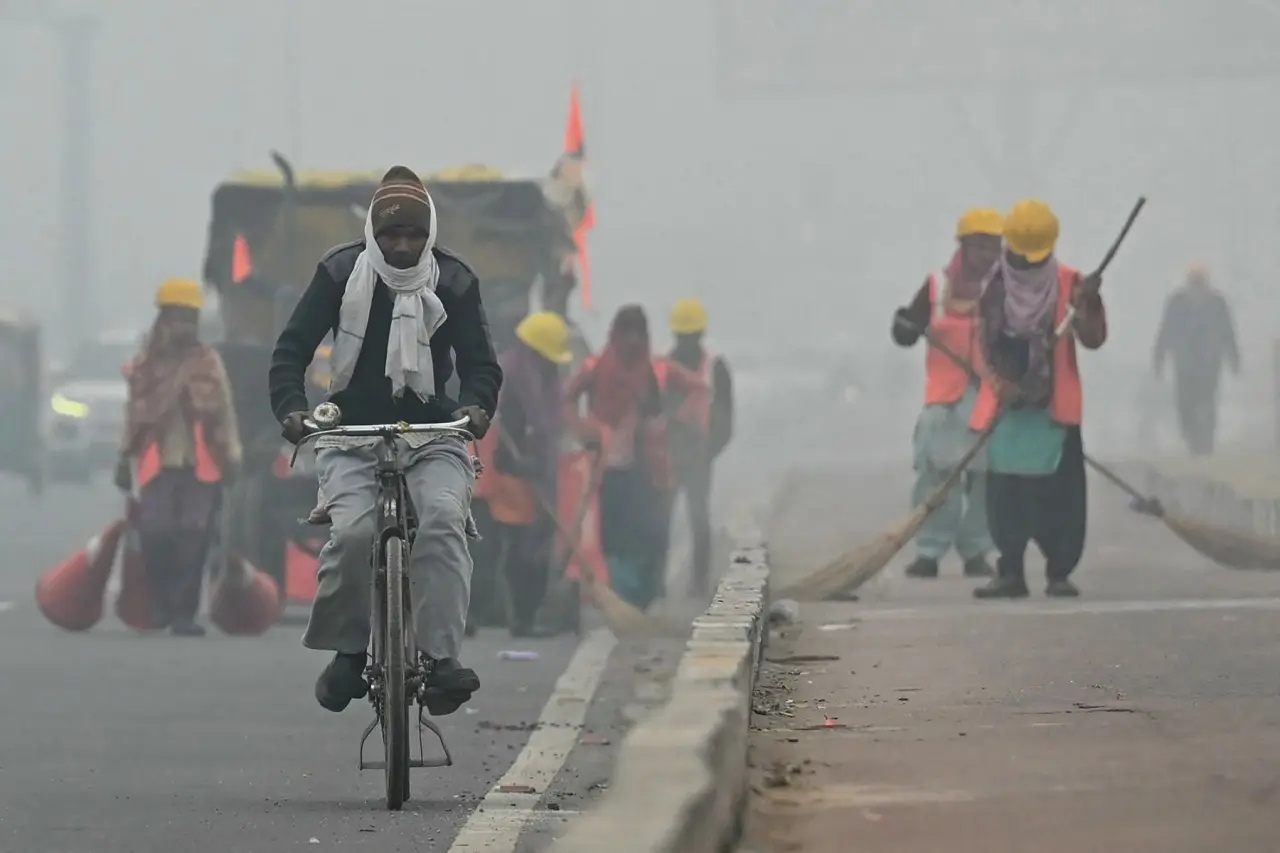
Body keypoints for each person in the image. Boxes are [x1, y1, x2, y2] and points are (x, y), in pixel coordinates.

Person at [268, 166, 502, 715]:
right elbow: (290, 352)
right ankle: (348, 653)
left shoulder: (455, 281)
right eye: (391, 235)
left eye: (413, 236)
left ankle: (441, 659)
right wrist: (291, 410)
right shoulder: (339, 272)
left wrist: (476, 408)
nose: (401, 246)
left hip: (433, 431)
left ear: (429, 236)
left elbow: (481, 365)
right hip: (349, 432)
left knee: (444, 520)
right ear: (374, 232)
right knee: (352, 535)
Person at [968, 199, 1107, 600]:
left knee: (1061, 498)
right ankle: (1010, 571)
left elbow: (1093, 339)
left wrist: (1089, 305)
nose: (1025, 264)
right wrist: (1000, 384)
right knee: (1006, 497)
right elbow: (982, 346)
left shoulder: (1071, 284)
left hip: (1054, 411)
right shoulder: (993, 289)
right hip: (1008, 410)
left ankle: (1059, 572)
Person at [114, 278, 242, 637]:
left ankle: (183, 613)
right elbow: (133, 414)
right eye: (177, 318)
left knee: (193, 536)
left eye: (190, 319)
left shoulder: (208, 363)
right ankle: (160, 605)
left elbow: (224, 412)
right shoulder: (145, 366)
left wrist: (232, 457)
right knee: (155, 533)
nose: (184, 326)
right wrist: (123, 458)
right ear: (163, 320)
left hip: (202, 464)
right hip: (157, 462)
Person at [891, 208, 1003, 580]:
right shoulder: (936, 286)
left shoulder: (1002, 289)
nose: (988, 255)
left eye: (994, 247)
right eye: (981, 247)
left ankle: (975, 551)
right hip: (942, 399)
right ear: (964, 247)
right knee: (935, 475)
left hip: (986, 396)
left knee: (985, 478)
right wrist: (904, 325)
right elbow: (910, 330)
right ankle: (929, 550)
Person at [563, 305, 692, 610]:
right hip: (613, 469)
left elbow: (696, 392)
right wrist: (584, 429)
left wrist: (673, 423)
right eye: (627, 332)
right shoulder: (596, 368)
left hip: (652, 470)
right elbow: (568, 397)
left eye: (639, 333)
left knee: (652, 535)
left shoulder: (657, 369)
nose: (633, 341)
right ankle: (624, 596)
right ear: (616, 335)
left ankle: (647, 595)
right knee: (618, 536)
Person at [475, 311, 570, 637]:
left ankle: (525, 616)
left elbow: (550, 426)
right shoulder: (506, 374)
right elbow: (488, 423)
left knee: (528, 547)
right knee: (489, 547)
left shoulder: (546, 380)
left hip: (528, 477)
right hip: (496, 473)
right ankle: (481, 613)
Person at [659, 298, 732, 596]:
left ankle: (699, 582)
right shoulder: (662, 369)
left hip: (699, 455)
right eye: (683, 337)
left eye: (690, 337)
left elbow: (726, 421)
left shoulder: (715, 368)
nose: (687, 343)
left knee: (699, 519)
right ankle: (657, 584)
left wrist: (708, 453)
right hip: (667, 455)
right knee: (661, 521)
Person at [1152, 262, 1240, 455]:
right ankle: (1193, 441)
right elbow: (1166, 331)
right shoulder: (1177, 303)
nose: (1197, 286)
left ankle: (1205, 442)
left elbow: (1227, 331)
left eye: (1200, 282)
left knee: (1207, 403)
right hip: (1185, 365)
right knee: (1185, 405)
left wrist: (1233, 358)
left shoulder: (1217, 303)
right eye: (1195, 282)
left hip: (1209, 364)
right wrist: (1159, 358)